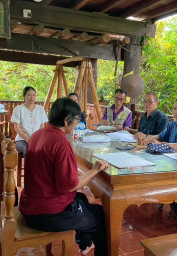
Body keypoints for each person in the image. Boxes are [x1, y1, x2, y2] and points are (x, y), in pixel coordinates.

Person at [19, 98, 109, 256]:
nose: (77, 124)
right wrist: (95, 170)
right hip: (47, 214)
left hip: (29, 205)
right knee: (100, 216)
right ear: (67, 120)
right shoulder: (60, 142)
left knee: (81, 199)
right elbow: (70, 185)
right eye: (77, 120)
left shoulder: (37, 135)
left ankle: (85, 244)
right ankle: (91, 245)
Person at [11, 86, 48, 157]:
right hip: (22, 139)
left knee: (45, 150)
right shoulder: (18, 109)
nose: (32, 97)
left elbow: (42, 127)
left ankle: (40, 168)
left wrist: (36, 139)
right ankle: (30, 168)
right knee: (28, 151)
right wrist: (28, 139)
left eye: (34, 95)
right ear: (24, 96)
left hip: (37, 139)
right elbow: (17, 129)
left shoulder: (40, 109)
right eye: (29, 95)